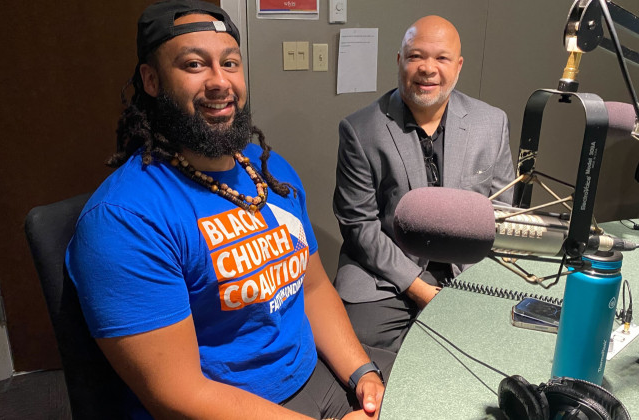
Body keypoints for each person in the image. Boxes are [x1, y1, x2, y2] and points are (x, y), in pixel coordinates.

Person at [65, 1, 393, 419]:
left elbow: (312, 289)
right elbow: (179, 394)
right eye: (194, 65)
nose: (220, 82)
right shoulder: (124, 219)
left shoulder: (267, 170)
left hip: (316, 378)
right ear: (152, 80)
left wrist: (363, 375)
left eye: (231, 63)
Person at [333, 15, 515, 353]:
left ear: (458, 66)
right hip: (385, 274)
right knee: (364, 349)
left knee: (492, 347)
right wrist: (418, 288)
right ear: (399, 61)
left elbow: (501, 212)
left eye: (441, 58)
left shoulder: (491, 123)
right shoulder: (360, 130)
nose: (427, 68)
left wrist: (468, 284)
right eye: (416, 56)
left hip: (467, 270)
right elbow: (359, 225)